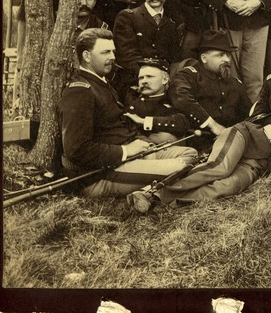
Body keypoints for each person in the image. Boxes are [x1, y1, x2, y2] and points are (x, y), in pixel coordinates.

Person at [129, 66, 271, 212]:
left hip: (262, 162)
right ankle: (154, 190)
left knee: (228, 186)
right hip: (247, 136)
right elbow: (260, 111)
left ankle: (159, 199)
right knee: (219, 167)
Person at [59, 29, 198, 200]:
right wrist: (126, 150)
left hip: (126, 158)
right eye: (105, 52)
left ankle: (146, 192)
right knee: (179, 167)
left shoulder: (102, 83)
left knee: (190, 154)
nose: (113, 57)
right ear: (87, 56)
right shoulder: (80, 91)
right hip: (101, 175)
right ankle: (154, 194)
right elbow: (76, 149)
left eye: (113, 51)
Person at [169, 31, 252, 137]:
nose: (226, 60)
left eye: (228, 55)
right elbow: (180, 97)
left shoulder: (235, 83)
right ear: (204, 58)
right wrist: (212, 124)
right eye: (220, 55)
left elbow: (248, 115)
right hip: (199, 139)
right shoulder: (189, 76)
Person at [111, 0, 183, 88]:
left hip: (163, 83)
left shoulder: (170, 23)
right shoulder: (128, 17)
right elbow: (127, 56)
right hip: (134, 82)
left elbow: (173, 58)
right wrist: (152, 77)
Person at [122, 58, 191, 143]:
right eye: (141, 78)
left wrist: (145, 121)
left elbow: (182, 123)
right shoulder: (133, 103)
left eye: (149, 77)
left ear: (165, 80)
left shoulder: (173, 100)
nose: (144, 81)